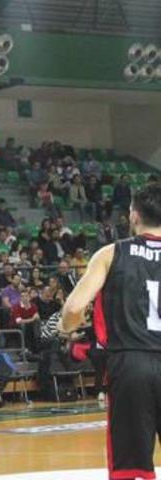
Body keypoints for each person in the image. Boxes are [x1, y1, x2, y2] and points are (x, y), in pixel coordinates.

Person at [61, 184, 161, 479]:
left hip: (131, 364)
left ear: (134, 215)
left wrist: (67, 328)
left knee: (130, 469)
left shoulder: (111, 253)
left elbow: (74, 308)